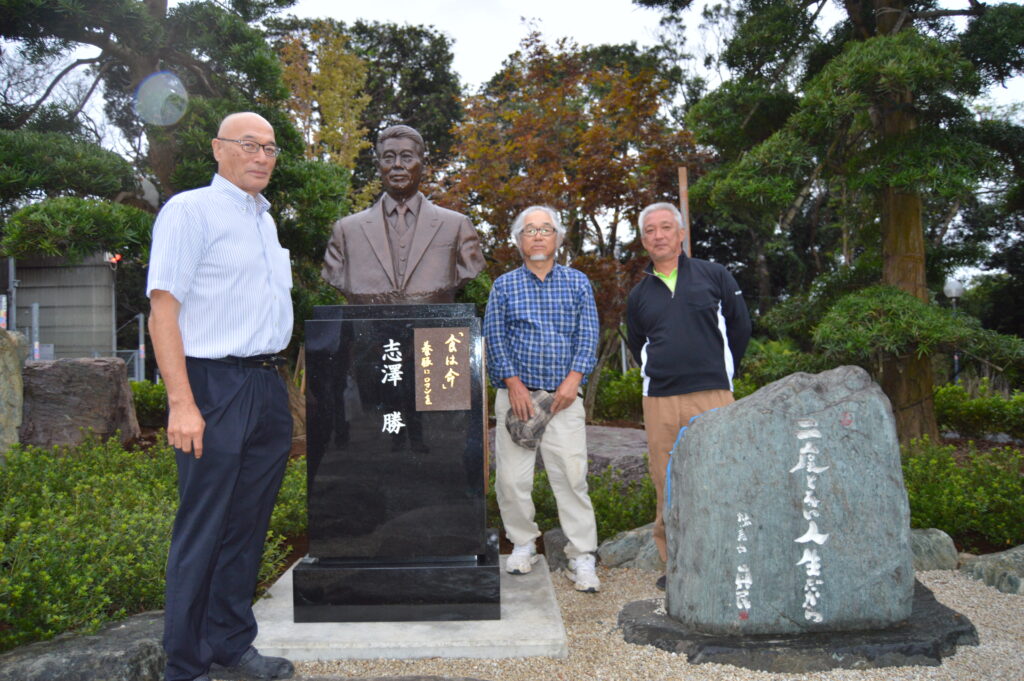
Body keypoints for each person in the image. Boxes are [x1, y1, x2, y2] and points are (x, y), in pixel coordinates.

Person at [147, 112, 295, 681]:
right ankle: (185, 665)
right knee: (204, 526)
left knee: (247, 525)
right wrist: (181, 403)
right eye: (249, 145)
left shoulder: (265, 221)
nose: (262, 157)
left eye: (270, 149)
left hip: (266, 384)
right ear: (218, 148)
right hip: (212, 385)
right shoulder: (190, 211)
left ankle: (230, 642)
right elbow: (164, 312)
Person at [626, 202, 751, 590]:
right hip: (660, 400)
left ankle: (726, 558)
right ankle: (677, 563)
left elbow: (740, 327)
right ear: (643, 240)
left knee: (721, 475)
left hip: (712, 395)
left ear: (681, 234)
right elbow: (638, 345)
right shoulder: (639, 295)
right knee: (666, 480)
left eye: (666, 227)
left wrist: (721, 370)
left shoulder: (714, 275)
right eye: (650, 230)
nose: (658, 235)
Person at [483, 205, 602, 593]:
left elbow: (588, 334)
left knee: (571, 476)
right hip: (516, 397)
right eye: (529, 230)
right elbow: (495, 337)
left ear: (558, 238)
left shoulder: (577, 282)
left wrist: (573, 380)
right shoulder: (504, 286)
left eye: (545, 229)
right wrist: (513, 384)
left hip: (564, 398)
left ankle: (582, 555)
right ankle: (523, 543)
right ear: (518, 241)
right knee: (511, 480)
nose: (537, 236)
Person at [322, 124, 485, 304]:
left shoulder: (457, 226)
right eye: (389, 158)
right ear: (378, 166)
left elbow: (469, 268)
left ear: (423, 164)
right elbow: (334, 275)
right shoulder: (346, 231)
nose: (397, 165)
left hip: (432, 321)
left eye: (407, 157)